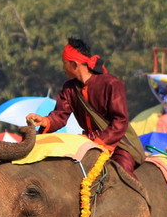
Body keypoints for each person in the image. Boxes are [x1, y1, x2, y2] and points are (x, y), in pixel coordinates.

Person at [27, 38, 143, 176]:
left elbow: (120, 122)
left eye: (65, 64)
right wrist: (45, 121)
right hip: (88, 142)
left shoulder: (112, 84)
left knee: (120, 174)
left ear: (75, 65)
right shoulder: (69, 88)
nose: (63, 68)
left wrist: (100, 143)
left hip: (118, 145)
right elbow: (60, 115)